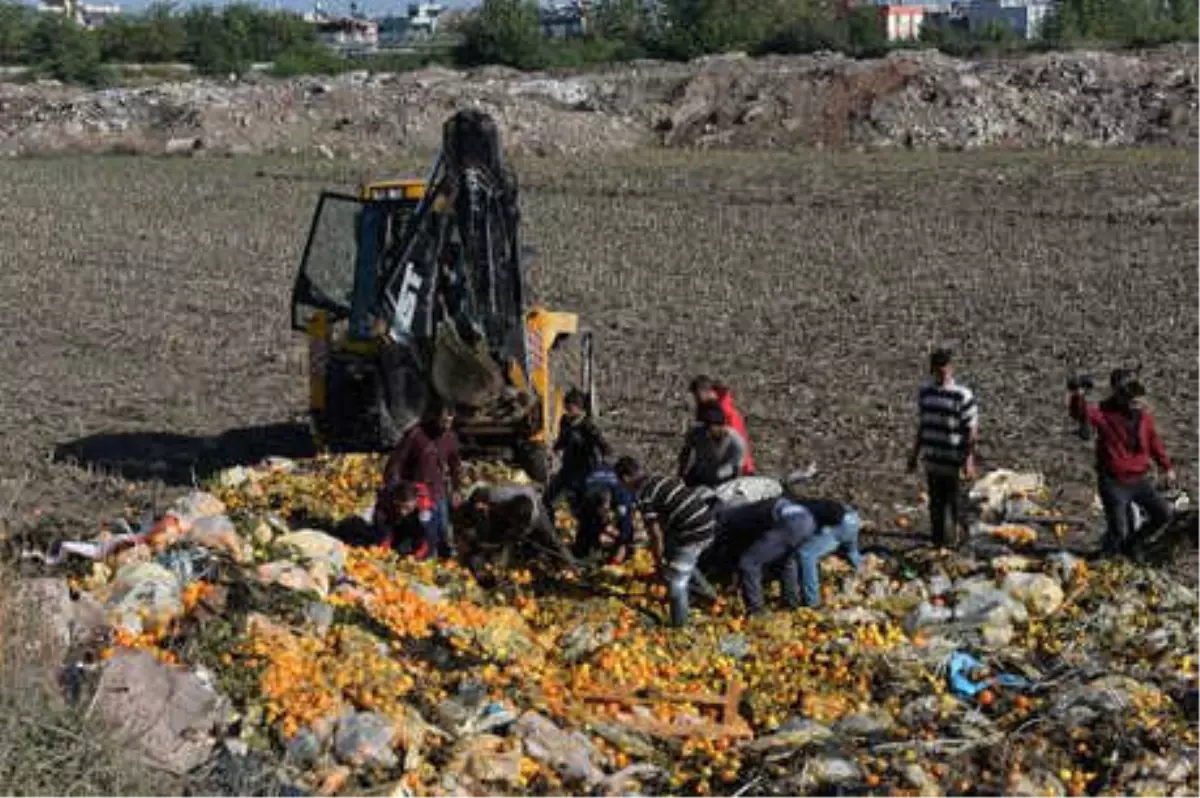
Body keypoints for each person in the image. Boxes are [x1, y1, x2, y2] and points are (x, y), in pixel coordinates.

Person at [1069, 368, 1176, 558]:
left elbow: (1153, 442)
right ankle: (1106, 558)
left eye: (1138, 399)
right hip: (1113, 482)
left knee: (1164, 515)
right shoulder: (1104, 414)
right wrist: (1078, 395)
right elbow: (1081, 413)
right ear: (1120, 397)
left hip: (1139, 480)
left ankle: (1132, 544)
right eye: (1132, 399)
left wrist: (1166, 467)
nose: (1137, 403)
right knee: (1119, 529)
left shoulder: (1144, 418)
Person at [616, 456, 720, 627]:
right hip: (706, 521)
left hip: (693, 532)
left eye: (622, 483)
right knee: (676, 556)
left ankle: (679, 627)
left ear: (626, 478)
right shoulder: (658, 478)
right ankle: (708, 597)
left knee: (675, 583)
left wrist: (658, 563)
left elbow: (656, 534)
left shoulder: (642, 494)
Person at [907, 349, 979, 548]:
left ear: (951, 369)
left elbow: (971, 429)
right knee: (936, 503)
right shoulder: (926, 393)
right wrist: (914, 454)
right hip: (933, 458)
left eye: (946, 370)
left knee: (955, 502)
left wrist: (968, 459)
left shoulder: (962, 395)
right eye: (939, 370)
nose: (943, 374)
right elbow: (923, 425)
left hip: (953, 458)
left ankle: (959, 542)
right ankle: (937, 541)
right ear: (933, 370)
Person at [382, 402, 463, 559]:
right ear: (434, 417)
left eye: (450, 421)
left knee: (442, 530)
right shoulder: (415, 435)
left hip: (438, 492)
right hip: (415, 492)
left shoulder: (450, 438)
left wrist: (457, 488)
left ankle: (441, 558)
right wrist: (393, 485)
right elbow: (397, 461)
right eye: (444, 421)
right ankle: (411, 556)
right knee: (416, 529)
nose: (447, 425)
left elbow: (455, 465)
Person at [718, 497, 818, 615]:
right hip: (806, 519)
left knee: (748, 563)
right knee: (785, 560)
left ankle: (756, 611)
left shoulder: (732, 518)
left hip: (788, 523)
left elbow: (742, 543)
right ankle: (792, 603)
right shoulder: (750, 507)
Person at [461, 483, 576, 570]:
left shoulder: (539, 521)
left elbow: (555, 542)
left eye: (518, 524)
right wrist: (478, 506)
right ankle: (488, 549)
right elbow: (480, 494)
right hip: (505, 505)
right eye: (514, 521)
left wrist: (571, 564)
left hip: (534, 509)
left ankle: (566, 563)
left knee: (548, 540)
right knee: (491, 530)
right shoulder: (501, 495)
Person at [545, 388, 610, 512]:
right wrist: (554, 449)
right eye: (566, 407)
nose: (567, 410)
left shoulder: (587, 425)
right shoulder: (565, 421)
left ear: (578, 407)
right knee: (549, 496)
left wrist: (604, 456)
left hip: (584, 469)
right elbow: (562, 439)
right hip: (568, 466)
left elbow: (601, 443)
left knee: (580, 501)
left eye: (570, 408)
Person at [794, 499, 864, 609]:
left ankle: (812, 601)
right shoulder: (807, 503)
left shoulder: (797, 510)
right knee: (852, 551)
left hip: (835, 528)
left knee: (806, 554)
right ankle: (863, 574)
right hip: (853, 520)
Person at [690, 376, 756, 475]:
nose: (695, 399)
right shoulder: (705, 408)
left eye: (697, 395)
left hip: (736, 469)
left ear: (705, 391)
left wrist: (742, 469)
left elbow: (738, 443)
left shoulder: (723, 412)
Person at [574, 463, 636, 563]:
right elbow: (625, 520)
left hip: (583, 499)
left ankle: (581, 552)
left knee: (588, 526)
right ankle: (584, 554)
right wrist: (624, 540)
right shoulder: (619, 490)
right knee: (590, 527)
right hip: (589, 502)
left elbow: (625, 520)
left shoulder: (600, 470)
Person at [677, 402, 748, 488]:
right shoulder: (697, 433)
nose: (708, 431)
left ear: (722, 426)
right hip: (700, 474)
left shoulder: (736, 442)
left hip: (723, 480)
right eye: (706, 425)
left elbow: (738, 468)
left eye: (711, 426)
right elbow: (686, 452)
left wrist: (734, 488)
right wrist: (681, 474)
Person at [371, 481, 430, 555]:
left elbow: (426, 536)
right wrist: (384, 544)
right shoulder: (386, 504)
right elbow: (386, 527)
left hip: (415, 524)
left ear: (416, 501)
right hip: (396, 521)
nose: (402, 511)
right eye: (399, 506)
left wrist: (417, 556)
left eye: (407, 507)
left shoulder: (424, 508)